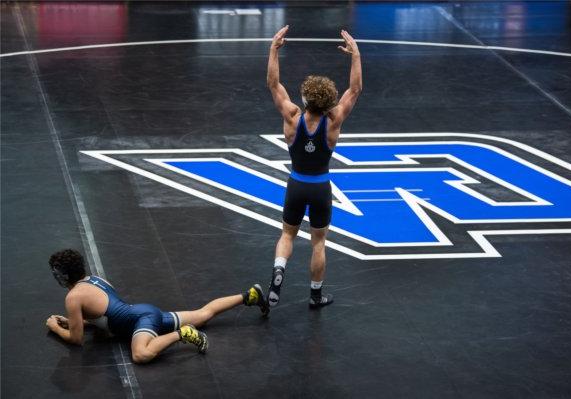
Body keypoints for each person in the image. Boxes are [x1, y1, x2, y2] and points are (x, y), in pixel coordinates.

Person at [265, 26, 362, 310]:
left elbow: (273, 85)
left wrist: (274, 49)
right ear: (330, 101)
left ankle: (279, 271)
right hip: (320, 187)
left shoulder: (292, 117)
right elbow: (355, 90)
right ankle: (315, 295)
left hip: (296, 184)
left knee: (287, 234)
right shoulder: (334, 121)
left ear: (305, 99)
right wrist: (355, 55)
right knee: (318, 243)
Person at [45, 249, 268, 364]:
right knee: (203, 313)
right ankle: (249, 295)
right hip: (144, 313)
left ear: (62, 275)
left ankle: (183, 334)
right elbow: (105, 315)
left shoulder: (73, 297)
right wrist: (78, 322)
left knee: (141, 354)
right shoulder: (94, 279)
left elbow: (76, 340)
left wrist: (55, 327)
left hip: (141, 322)